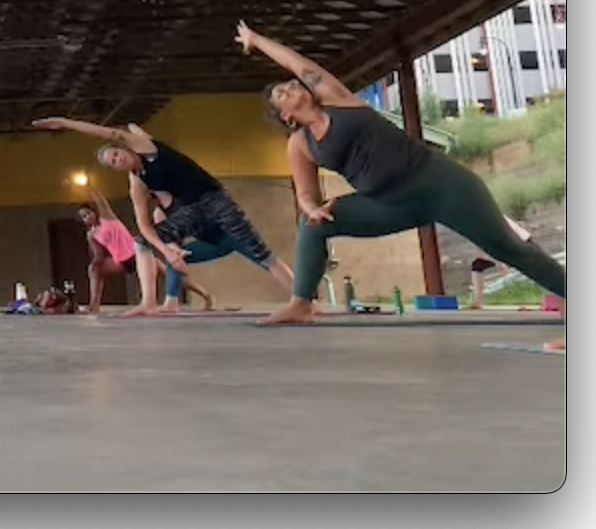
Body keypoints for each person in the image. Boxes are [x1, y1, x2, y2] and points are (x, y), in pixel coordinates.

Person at [238, 21, 566, 350]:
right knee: (312, 225)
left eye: (290, 84)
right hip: (389, 204)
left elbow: (296, 62)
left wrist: (256, 40)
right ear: (285, 116)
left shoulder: (337, 99)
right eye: (282, 93)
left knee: (508, 247)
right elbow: (306, 194)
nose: (291, 87)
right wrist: (313, 209)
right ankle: (301, 304)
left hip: (440, 184)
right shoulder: (300, 144)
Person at [33, 115, 297, 316]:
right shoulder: (137, 182)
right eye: (111, 163)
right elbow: (144, 226)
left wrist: (65, 122)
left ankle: (303, 298)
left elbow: (106, 132)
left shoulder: (145, 147)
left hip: (214, 199)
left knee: (261, 254)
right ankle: (150, 301)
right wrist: (166, 250)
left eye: (115, 154)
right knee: (144, 242)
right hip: (193, 211)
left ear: (123, 149)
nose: (117, 160)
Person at [75, 191, 140, 315]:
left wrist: (89, 187)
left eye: (88, 213)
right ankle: (94, 305)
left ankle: (189, 286)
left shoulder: (107, 219)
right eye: (83, 217)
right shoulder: (91, 234)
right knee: (93, 269)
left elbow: (101, 202)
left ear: (94, 212)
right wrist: (95, 263)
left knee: (164, 271)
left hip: (137, 254)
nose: (87, 217)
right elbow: (98, 256)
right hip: (121, 261)